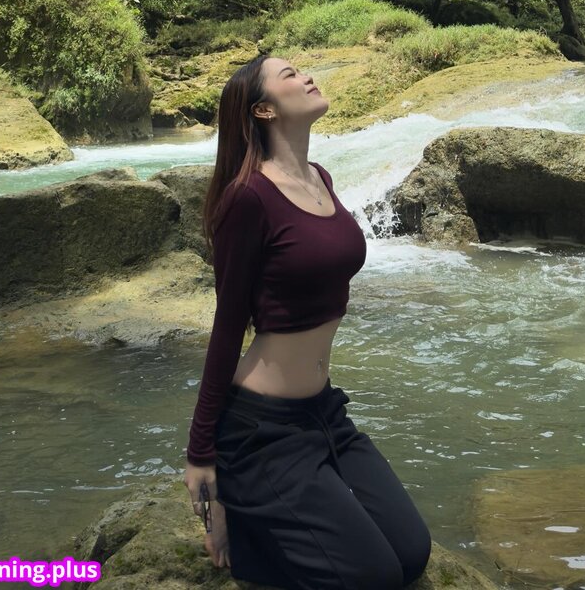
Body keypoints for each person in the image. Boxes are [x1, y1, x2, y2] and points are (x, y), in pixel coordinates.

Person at [182, 52, 432, 589]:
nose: (307, 76)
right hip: (262, 428)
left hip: (324, 414)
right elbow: (228, 326)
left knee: (412, 555)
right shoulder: (248, 197)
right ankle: (240, 507)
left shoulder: (321, 178)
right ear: (264, 110)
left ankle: (258, 524)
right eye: (290, 75)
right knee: (374, 578)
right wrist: (201, 452)